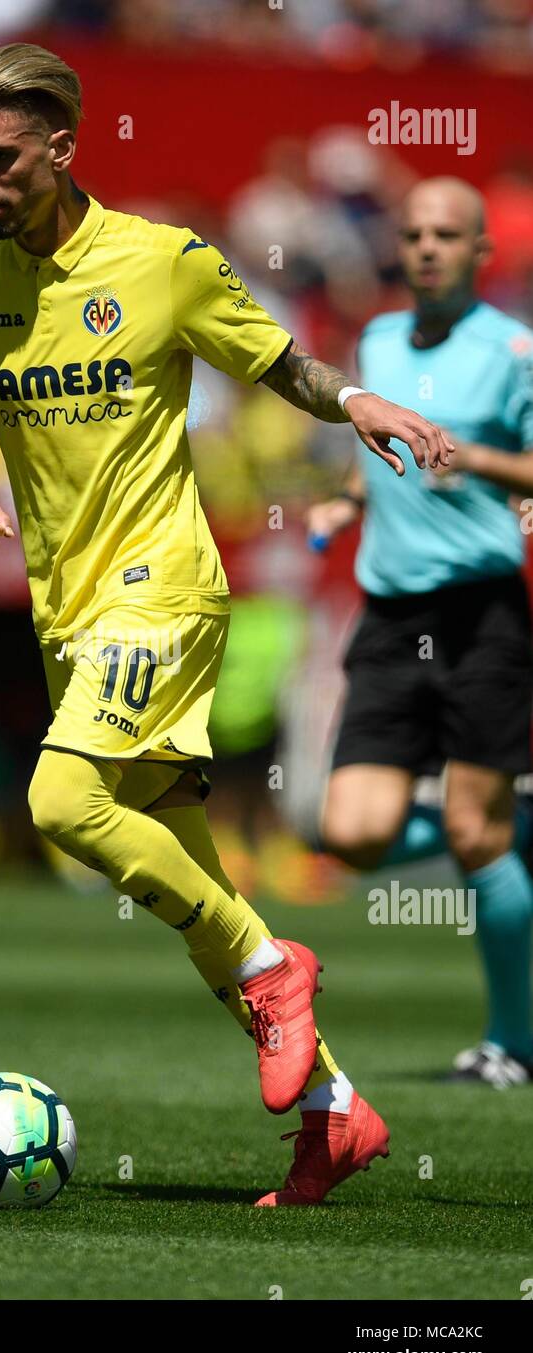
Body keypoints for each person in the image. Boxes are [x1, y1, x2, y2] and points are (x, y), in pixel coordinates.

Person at [0, 43, 453, 1204]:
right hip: (67, 613)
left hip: (163, 589)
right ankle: (335, 1114)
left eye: (1, 160)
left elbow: (278, 363)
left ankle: (276, 966)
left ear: (61, 149)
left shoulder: (160, 263)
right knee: (189, 876)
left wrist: (355, 399)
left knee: (61, 800)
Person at [308, 177, 533, 1088]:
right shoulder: (375, 341)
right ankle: (498, 822)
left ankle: (512, 1046)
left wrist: (473, 458)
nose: (428, 247)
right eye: (414, 234)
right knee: (350, 834)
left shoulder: (514, 350)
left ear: (482, 251)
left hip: (482, 618)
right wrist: (344, 495)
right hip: (391, 619)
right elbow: (384, 452)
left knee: (477, 839)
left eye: (448, 234)